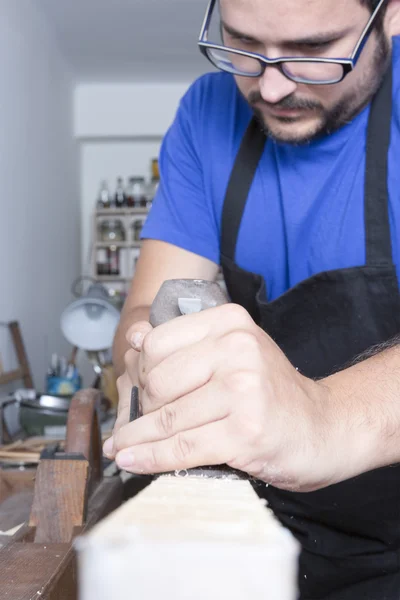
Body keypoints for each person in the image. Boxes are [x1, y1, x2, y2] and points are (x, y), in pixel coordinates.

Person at [103, 0, 400, 597]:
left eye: (313, 51)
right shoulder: (205, 113)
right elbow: (142, 313)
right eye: (242, 44)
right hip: (260, 527)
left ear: (391, 14)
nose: (269, 85)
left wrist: (322, 414)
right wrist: (147, 359)